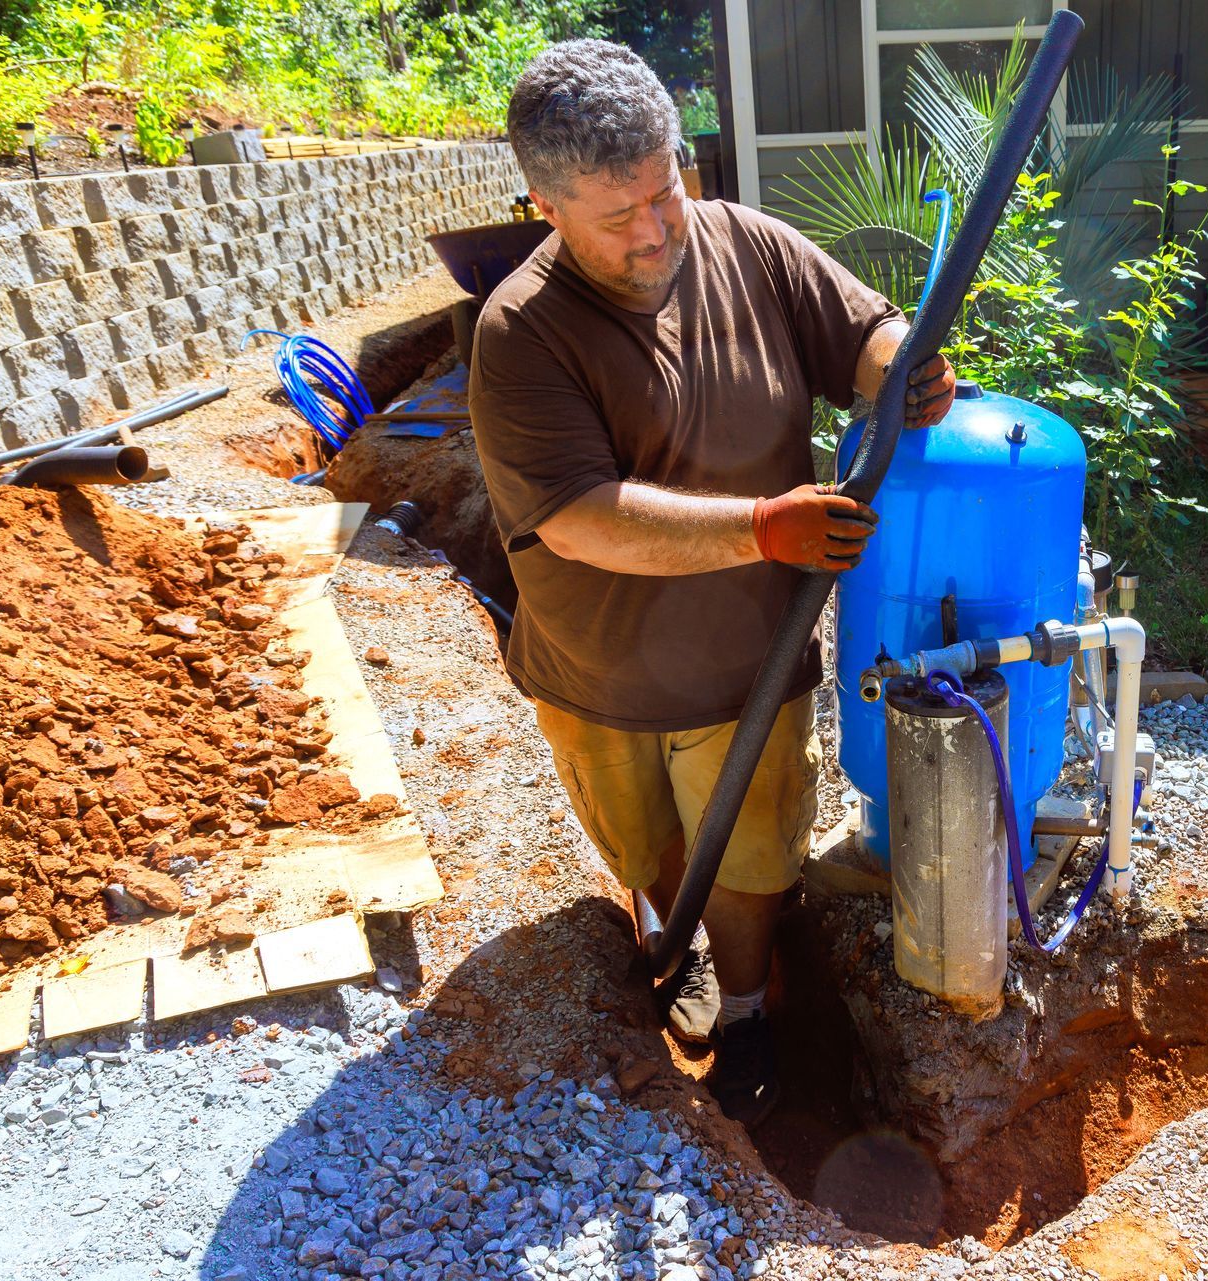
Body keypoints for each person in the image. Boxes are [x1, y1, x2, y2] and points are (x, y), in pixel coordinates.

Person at [469, 40, 954, 1127]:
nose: (654, 231)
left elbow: (864, 330)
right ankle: (666, 938)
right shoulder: (520, 333)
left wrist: (900, 368)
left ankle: (744, 1008)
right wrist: (764, 528)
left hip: (750, 666)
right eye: (616, 216)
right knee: (648, 848)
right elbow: (582, 517)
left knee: (753, 859)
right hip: (599, 679)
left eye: (665, 191)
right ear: (545, 205)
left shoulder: (748, 245)